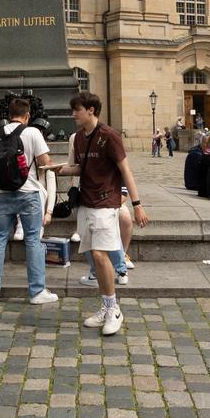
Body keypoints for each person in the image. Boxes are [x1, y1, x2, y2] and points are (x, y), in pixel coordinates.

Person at [67, 91, 148, 336]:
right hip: (86, 203)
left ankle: (113, 310)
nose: (73, 114)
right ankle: (106, 306)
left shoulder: (109, 135)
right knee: (95, 256)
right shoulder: (78, 138)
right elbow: (80, 168)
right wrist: (53, 169)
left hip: (105, 203)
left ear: (91, 110)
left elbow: (126, 170)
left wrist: (137, 204)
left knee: (100, 255)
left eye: (77, 110)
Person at [0, 96, 57, 306]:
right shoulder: (33, 132)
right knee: (33, 240)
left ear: (9, 114)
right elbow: (45, 162)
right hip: (29, 192)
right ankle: (37, 292)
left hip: (1, 194)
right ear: (27, 115)